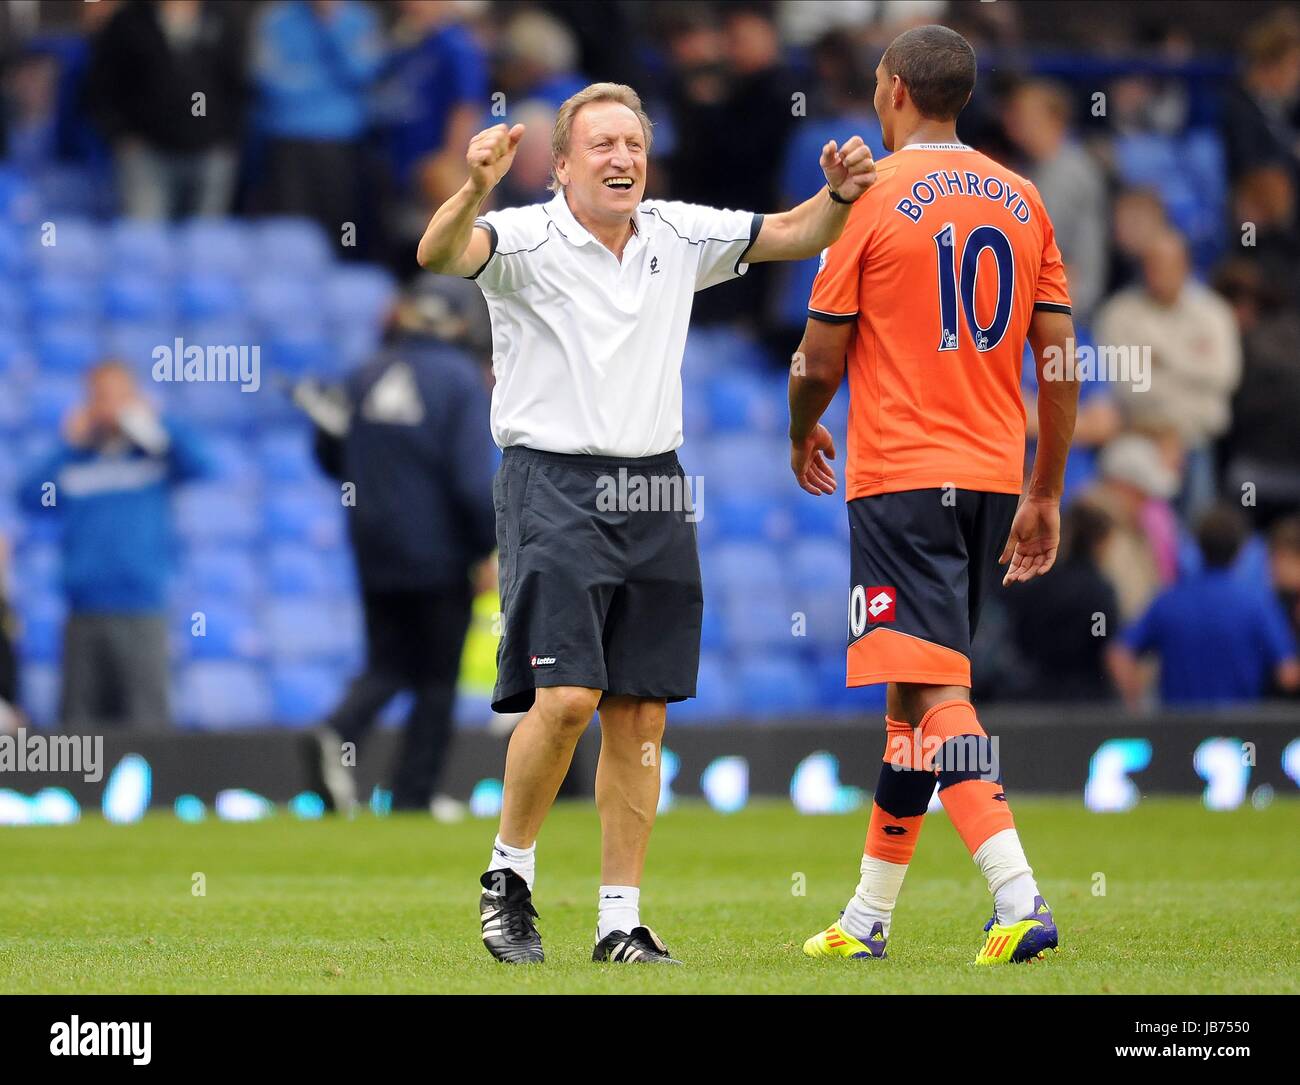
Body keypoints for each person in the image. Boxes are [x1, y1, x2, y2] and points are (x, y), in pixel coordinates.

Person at [417, 81, 876, 965]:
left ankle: (619, 920)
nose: (622, 157)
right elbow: (438, 254)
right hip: (551, 481)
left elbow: (795, 232)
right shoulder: (519, 237)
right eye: (602, 145)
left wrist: (842, 194)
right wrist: (474, 185)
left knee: (641, 715)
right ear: (560, 165)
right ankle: (506, 877)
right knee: (566, 700)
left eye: (632, 141)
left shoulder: (676, 231)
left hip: (656, 487)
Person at [788, 25, 1077, 967]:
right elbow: (1060, 363)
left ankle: (1019, 895)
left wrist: (800, 426)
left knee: (935, 688)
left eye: (878, 82)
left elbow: (819, 356)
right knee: (910, 705)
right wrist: (1046, 490)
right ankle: (868, 918)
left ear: (899, 89)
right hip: (994, 474)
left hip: (903, 474)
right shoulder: (1024, 200)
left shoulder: (873, 200)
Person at [301, 277, 497, 816]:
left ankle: (337, 733)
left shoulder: (364, 373)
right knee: (436, 679)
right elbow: (468, 480)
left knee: (387, 664)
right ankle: (413, 794)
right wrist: (488, 548)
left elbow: (330, 455)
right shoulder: (459, 380)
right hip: (440, 553)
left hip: (372, 547)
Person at [19, 361, 212, 731]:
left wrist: (153, 427)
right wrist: (66, 445)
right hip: (84, 611)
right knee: (79, 728)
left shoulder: (153, 453)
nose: (109, 406)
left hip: (142, 609)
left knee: (148, 723)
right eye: (100, 396)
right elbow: (30, 498)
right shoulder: (74, 462)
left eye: (118, 395)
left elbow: (202, 466)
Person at [1108, 505, 1300, 709]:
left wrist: (1134, 708)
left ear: (1197, 545)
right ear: (1240, 550)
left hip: (1176, 730)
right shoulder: (1256, 603)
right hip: (1240, 731)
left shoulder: (1169, 600)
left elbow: (1119, 654)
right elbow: (1288, 674)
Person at [85, 0, 245, 219]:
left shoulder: (222, 18)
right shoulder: (128, 22)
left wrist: (228, 139)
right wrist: (120, 135)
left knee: (207, 245)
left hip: (210, 154)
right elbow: (100, 88)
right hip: (146, 155)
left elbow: (239, 86)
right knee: (147, 244)